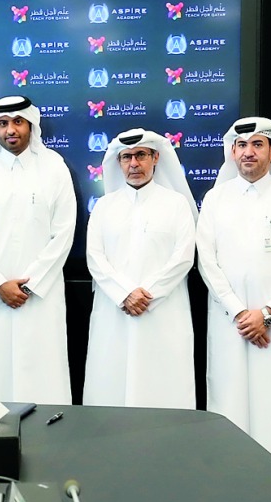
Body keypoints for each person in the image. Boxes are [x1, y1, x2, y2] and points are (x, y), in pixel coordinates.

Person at [197, 117, 271, 488]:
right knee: (230, 400)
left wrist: (267, 312)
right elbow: (207, 261)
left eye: (257, 144)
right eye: (241, 145)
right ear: (232, 152)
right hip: (230, 321)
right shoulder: (216, 198)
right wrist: (240, 313)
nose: (248, 151)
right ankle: (231, 484)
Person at [0, 95, 77, 404]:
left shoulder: (54, 168)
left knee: (40, 372)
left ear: (31, 125)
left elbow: (63, 233)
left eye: (18, 122)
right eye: (3, 123)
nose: (11, 130)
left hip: (38, 296)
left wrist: (30, 283)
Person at [84, 129, 197, 408]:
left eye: (141, 155)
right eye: (126, 157)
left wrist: (149, 295)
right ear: (118, 162)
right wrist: (125, 294)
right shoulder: (104, 206)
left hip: (163, 312)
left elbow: (184, 256)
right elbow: (94, 258)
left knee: (163, 390)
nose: (134, 163)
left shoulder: (176, 203)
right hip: (115, 311)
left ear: (155, 157)